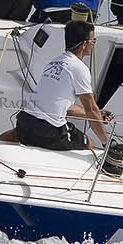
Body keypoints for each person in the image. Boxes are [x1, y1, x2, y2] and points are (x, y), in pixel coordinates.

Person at [11, 20, 112, 150]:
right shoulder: (79, 68)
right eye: (93, 41)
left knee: (15, 134)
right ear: (84, 44)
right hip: (49, 130)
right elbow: (91, 109)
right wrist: (107, 143)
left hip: (25, 121)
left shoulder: (54, 63)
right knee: (89, 144)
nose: (93, 45)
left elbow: (64, 107)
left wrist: (99, 115)